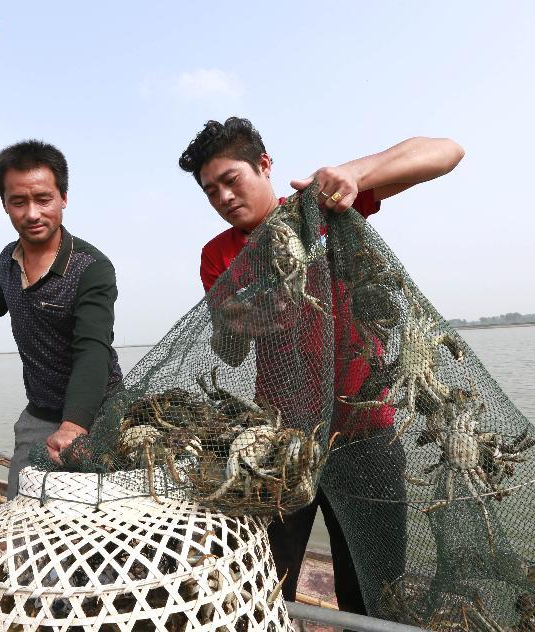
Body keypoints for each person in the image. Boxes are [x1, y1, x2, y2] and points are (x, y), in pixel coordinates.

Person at [178, 117, 464, 613]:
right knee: (266, 580)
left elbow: (447, 151)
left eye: (231, 180)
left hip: (367, 432)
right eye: (210, 191)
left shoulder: (321, 212)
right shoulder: (218, 255)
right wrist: (240, 323)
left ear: (265, 165)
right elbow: (231, 350)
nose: (223, 197)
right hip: (282, 442)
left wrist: (356, 172)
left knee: (371, 589)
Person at [0, 140, 123, 499]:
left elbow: (92, 348)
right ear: (5, 205)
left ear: (63, 198)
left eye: (43, 199)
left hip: (97, 413)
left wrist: (74, 426)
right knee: (19, 504)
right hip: (40, 410)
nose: (32, 213)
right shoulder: (8, 259)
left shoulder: (91, 268)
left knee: (94, 513)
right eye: (19, 202)